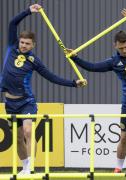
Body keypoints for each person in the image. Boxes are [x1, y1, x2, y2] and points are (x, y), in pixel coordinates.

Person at [67, 8, 126, 177]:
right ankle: (118, 167)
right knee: (124, 137)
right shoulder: (113, 62)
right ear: (115, 46)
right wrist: (75, 57)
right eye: (121, 48)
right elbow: (92, 67)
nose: (124, 50)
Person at [0, 4, 86, 175]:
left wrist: (73, 83)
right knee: (17, 139)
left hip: (27, 102)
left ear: (33, 45)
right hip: (10, 102)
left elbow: (51, 77)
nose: (23, 45)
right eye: (22, 42)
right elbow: (12, 24)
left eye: (27, 44)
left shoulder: (34, 60)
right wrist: (28, 11)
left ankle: (31, 166)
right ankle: (25, 167)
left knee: (28, 130)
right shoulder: (12, 47)